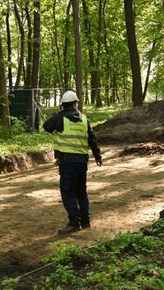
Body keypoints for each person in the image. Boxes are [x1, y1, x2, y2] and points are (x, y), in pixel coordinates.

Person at [43, 91, 102, 235]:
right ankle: (85, 221)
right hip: (82, 162)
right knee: (81, 191)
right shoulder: (84, 119)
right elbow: (92, 139)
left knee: (68, 192)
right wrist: (97, 156)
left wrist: (58, 114)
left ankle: (74, 223)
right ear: (76, 103)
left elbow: (46, 126)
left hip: (68, 162)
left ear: (63, 105)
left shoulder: (60, 118)